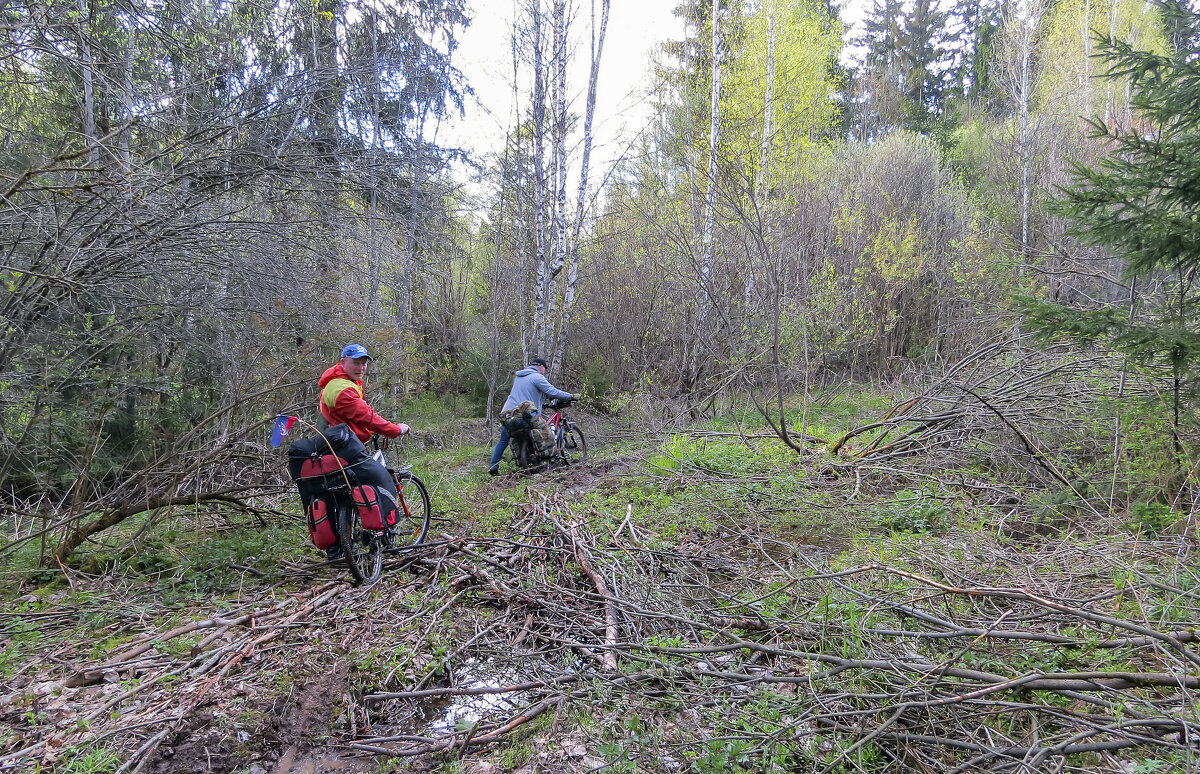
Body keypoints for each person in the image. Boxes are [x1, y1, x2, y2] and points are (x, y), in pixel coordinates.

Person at [317, 344, 409, 559]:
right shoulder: (341, 388)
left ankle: (339, 551)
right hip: (343, 449)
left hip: (335, 446)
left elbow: (351, 417)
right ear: (343, 362)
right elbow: (365, 415)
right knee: (380, 479)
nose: (361, 367)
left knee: (340, 495)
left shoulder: (344, 382)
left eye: (364, 363)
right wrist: (395, 429)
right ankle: (382, 532)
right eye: (356, 362)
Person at [489, 357, 574, 475]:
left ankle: (493, 466)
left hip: (507, 413)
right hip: (524, 412)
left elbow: (526, 393)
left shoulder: (518, 377)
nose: (544, 371)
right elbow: (552, 391)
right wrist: (570, 396)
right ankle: (549, 457)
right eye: (545, 369)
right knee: (543, 429)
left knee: (504, 440)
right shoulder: (537, 377)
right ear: (541, 367)